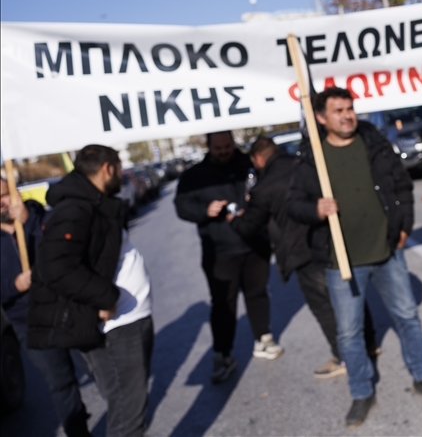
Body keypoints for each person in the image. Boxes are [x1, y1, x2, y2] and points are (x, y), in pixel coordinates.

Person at [287, 87, 422, 427]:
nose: (347, 115)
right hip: (341, 261)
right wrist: (314, 208)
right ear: (321, 118)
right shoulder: (310, 156)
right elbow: (292, 205)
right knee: (348, 332)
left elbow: (402, 185)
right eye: (338, 111)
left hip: (386, 252)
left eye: (350, 108)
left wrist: (404, 226)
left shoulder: (372, 141)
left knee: (407, 316)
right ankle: (361, 392)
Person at [28, 146, 154, 437]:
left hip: (126, 322)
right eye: (119, 168)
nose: (122, 174)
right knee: (128, 417)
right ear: (107, 168)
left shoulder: (93, 202)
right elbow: (54, 266)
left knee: (129, 410)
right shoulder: (76, 208)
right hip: (116, 325)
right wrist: (106, 296)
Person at [228, 137, 377, 379]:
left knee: (324, 306)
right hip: (329, 240)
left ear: (258, 158)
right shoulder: (304, 164)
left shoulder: (263, 188)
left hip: (301, 252)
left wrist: (233, 219)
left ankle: (344, 357)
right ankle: (369, 342)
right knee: (349, 292)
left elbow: (248, 226)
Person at [175, 131, 280, 385]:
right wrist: (204, 211)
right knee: (223, 304)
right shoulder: (194, 175)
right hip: (220, 251)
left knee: (257, 293)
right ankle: (222, 354)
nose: (224, 151)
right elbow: (181, 206)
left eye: (227, 146)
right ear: (208, 146)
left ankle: (263, 338)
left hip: (254, 244)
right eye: (218, 147)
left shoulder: (249, 163)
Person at [2, 177, 92, 437]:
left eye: (4, 195)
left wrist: (29, 221)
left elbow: (66, 250)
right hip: (28, 322)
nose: (1, 203)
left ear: (15, 193)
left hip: (67, 310)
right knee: (60, 383)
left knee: (98, 370)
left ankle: (126, 425)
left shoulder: (43, 219)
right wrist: (14, 286)